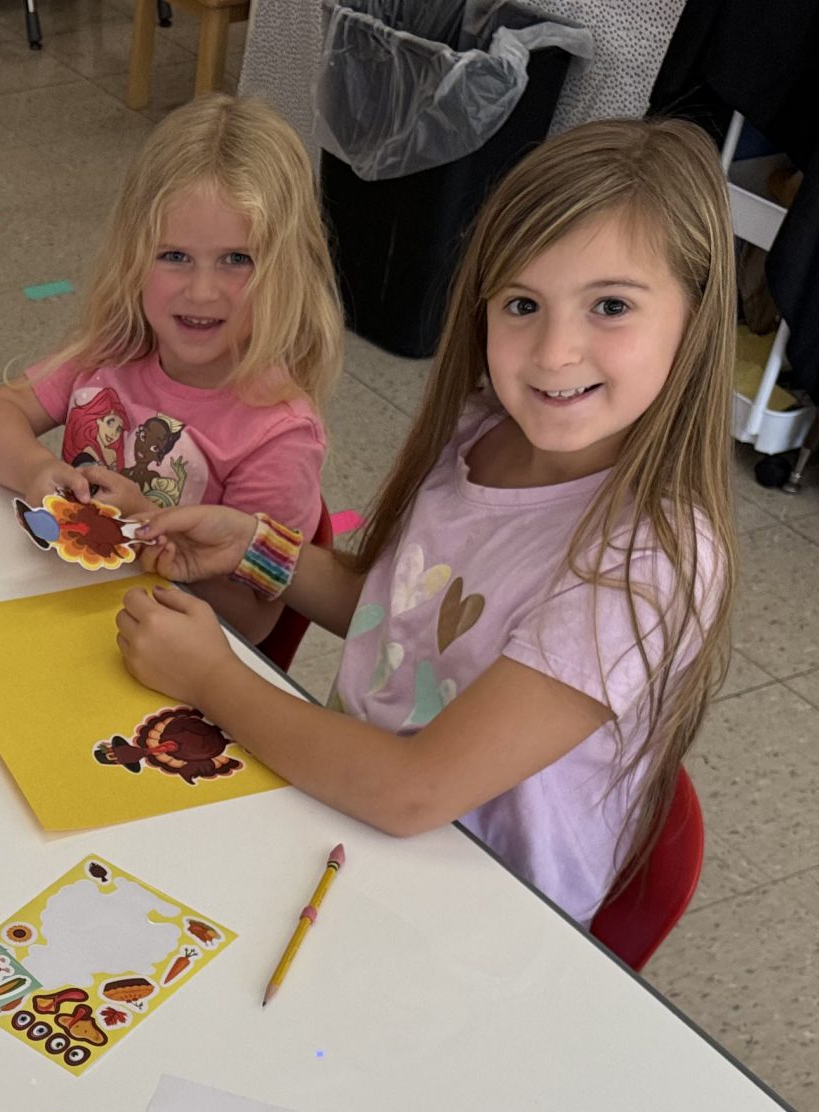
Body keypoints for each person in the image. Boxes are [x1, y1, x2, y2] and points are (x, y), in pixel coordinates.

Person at [124, 119, 736, 926]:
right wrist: (254, 550)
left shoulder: (642, 560)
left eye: (610, 306)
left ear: (694, 321)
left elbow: (416, 791)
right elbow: (395, 611)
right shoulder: (482, 430)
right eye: (522, 303)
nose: (554, 352)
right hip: (348, 821)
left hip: (475, 915)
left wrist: (212, 679)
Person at [0, 94, 341, 648]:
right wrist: (35, 471)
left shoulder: (277, 434)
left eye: (238, 259)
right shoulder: (114, 348)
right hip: (56, 614)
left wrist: (146, 526)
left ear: (288, 270)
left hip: (159, 659)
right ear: (132, 256)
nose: (202, 291)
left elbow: (254, 623)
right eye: (174, 256)